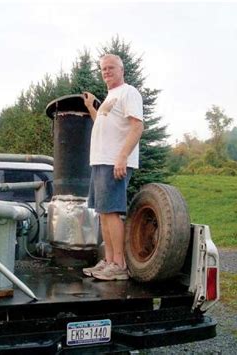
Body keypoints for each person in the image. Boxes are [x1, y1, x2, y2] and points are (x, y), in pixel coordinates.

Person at [82, 54, 144, 281]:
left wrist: (122, 157)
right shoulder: (110, 97)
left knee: (111, 212)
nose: (106, 72)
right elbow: (102, 120)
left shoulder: (129, 92)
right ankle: (108, 261)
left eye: (110, 68)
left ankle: (119, 265)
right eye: (103, 69)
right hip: (100, 161)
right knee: (102, 213)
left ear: (121, 70)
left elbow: (137, 127)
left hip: (114, 161)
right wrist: (91, 107)